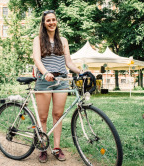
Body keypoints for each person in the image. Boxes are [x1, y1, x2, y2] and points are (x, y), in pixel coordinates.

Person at [33, 10, 83, 163]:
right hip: (44, 80)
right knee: (43, 117)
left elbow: (69, 63)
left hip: (61, 80)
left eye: (53, 20)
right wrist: (46, 72)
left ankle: (56, 148)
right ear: (44, 23)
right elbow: (37, 59)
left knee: (58, 115)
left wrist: (81, 72)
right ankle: (42, 147)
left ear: (56, 21)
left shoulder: (63, 40)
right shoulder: (38, 40)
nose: (51, 22)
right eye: (48, 20)